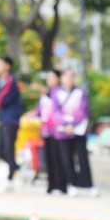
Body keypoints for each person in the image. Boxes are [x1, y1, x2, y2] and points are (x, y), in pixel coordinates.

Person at [58, 68, 96, 197]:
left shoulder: (80, 92)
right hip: (63, 132)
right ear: (61, 78)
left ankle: (89, 185)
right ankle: (72, 184)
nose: (70, 79)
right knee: (67, 159)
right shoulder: (57, 93)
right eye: (67, 76)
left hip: (79, 130)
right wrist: (65, 124)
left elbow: (83, 110)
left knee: (83, 158)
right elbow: (56, 112)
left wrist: (73, 124)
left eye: (72, 76)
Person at [0, 56, 22, 191]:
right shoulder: (0, 81)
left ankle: (10, 178)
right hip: (2, 119)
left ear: (7, 66)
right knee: (0, 150)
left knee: (9, 149)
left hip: (11, 119)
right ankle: (18, 167)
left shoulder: (10, 81)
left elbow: (1, 101)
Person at [35, 69, 69, 194]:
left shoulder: (60, 92)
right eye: (48, 78)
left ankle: (61, 185)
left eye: (52, 78)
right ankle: (51, 185)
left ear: (59, 79)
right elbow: (40, 110)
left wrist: (42, 90)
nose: (49, 80)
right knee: (48, 158)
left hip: (57, 131)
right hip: (46, 131)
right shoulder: (46, 94)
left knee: (58, 158)